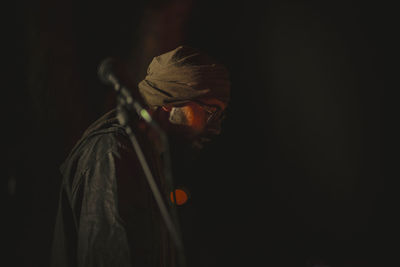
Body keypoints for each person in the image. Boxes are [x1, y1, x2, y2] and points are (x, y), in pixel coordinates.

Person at [51, 45, 230, 267]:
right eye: (210, 111)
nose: (216, 128)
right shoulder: (113, 152)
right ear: (170, 101)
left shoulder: (147, 154)